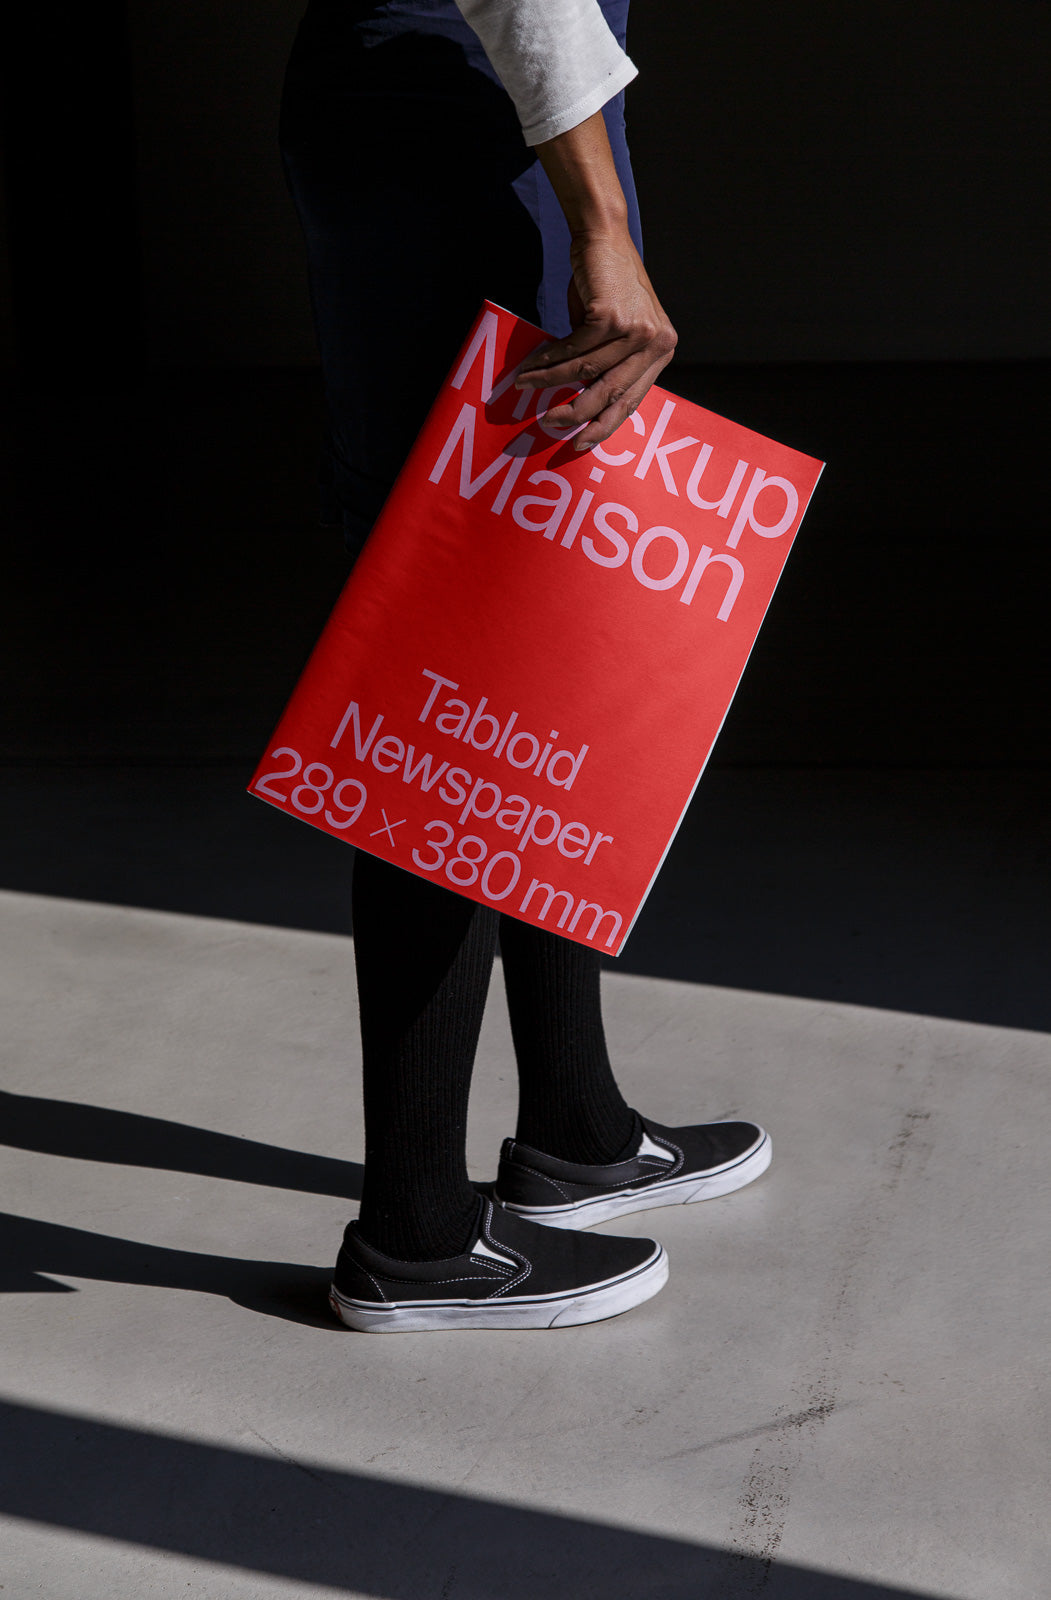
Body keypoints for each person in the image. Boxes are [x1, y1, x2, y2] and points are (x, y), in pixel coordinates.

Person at [279, 0, 770, 1332]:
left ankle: (572, 1122)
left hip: (472, 111)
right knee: (457, 648)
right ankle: (417, 1233)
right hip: (467, 121)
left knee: (538, 616)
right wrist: (600, 225)